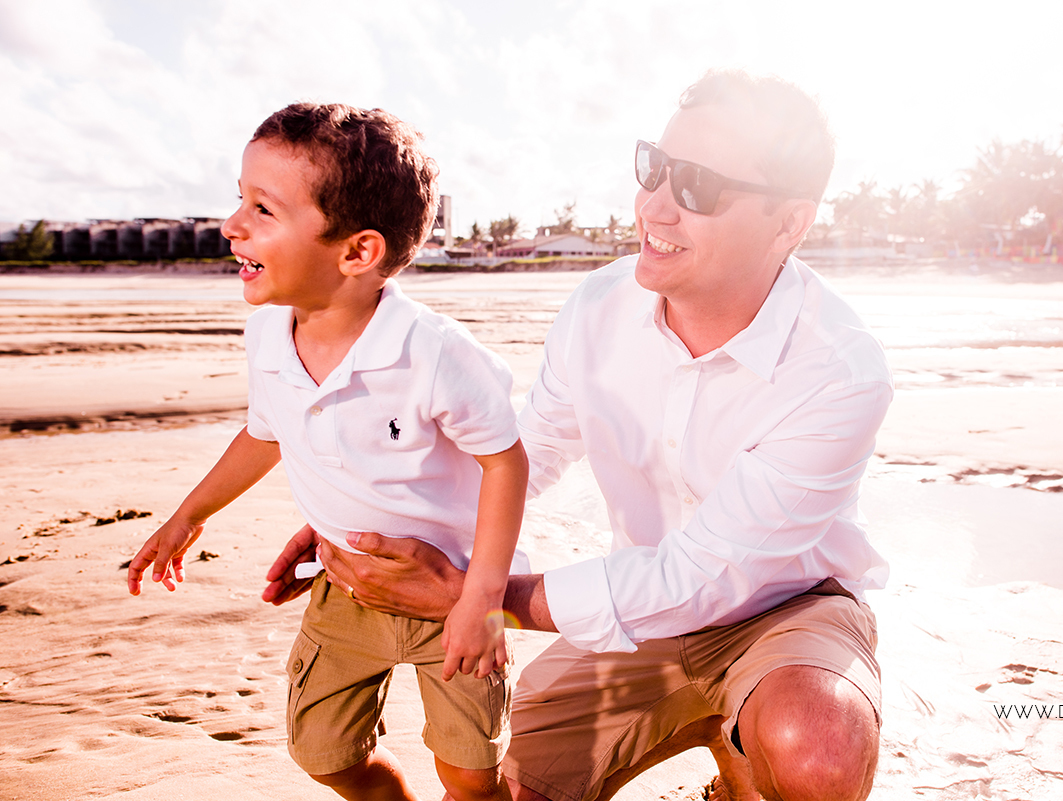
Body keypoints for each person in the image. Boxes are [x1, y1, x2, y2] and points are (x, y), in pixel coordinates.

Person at [268, 69, 892, 801]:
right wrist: (376, 514)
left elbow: (701, 577)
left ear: (789, 224)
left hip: (790, 613)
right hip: (641, 622)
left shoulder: (839, 369)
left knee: (814, 747)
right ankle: (728, 746)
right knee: (487, 785)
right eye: (654, 168)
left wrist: (480, 598)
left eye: (698, 186)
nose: (655, 204)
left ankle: (743, 760)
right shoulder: (599, 305)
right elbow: (530, 453)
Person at [127, 102, 529, 801]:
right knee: (325, 753)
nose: (232, 225)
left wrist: (483, 599)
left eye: (263, 209)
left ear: (357, 252)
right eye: (238, 200)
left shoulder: (434, 354)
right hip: (344, 586)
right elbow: (266, 432)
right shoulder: (267, 336)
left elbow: (506, 461)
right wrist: (188, 515)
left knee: (470, 775)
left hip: (451, 593)